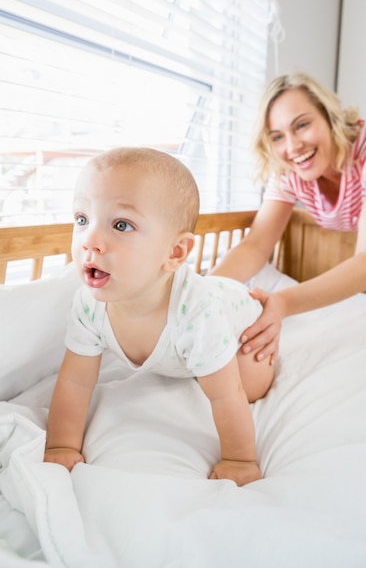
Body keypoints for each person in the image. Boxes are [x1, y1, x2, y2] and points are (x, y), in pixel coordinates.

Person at [43, 147, 275, 486]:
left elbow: (227, 396)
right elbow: (75, 382)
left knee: (248, 386)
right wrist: (62, 445)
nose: (90, 240)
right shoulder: (88, 305)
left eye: (121, 224)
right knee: (201, 366)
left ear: (175, 252)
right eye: (82, 219)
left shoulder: (198, 313)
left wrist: (240, 461)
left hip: (242, 323)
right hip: (197, 330)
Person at [210, 70, 366, 363]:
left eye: (302, 125)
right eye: (277, 136)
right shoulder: (287, 169)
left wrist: (281, 303)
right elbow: (256, 246)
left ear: (330, 116)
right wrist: (202, 292)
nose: (293, 147)